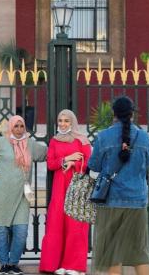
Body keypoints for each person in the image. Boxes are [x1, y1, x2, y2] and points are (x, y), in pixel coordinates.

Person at [87, 96, 149, 275]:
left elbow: (93, 166)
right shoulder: (144, 137)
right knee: (140, 252)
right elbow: (148, 162)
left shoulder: (103, 137)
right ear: (132, 114)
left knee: (112, 252)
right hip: (137, 201)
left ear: (113, 114)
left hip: (111, 201)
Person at [0, 115, 48, 275]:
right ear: (10, 127)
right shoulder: (1, 143)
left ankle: (13, 264)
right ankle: (4, 265)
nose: (19, 129)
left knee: (21, 231)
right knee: (1, 231)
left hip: (22, 195)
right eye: (15, 126)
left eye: (21, 126)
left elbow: (48, 154)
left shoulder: (30, 144)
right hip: (1, 194)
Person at [39, 109, 92, 275]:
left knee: (75, 224)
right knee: (57, 223)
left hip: (77, 187)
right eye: (60, 120)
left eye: (66, 121)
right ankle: (56, 264)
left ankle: (75, 266)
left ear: (73, 122)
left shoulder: (82, 140)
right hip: (59, 187)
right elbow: (51, 163)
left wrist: (75, 165)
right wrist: (67, 159)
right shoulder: (54, 141)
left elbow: (90, 163)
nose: (62, 124)